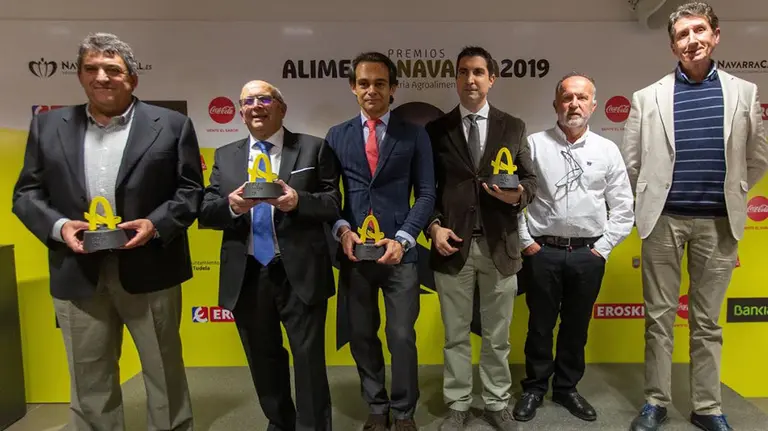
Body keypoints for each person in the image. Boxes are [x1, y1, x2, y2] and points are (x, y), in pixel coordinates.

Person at [11, 32, 202, 431]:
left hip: (151, 269)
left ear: (132, 78)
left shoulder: (172, 125)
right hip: (77, 271)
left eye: (112, 69)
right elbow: (26, 194)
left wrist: (155, 224)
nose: (102, 77)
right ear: (80, 76)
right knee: (89, 380)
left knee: (164, 372)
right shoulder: (47, 126)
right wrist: (60, 227)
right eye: (91, 69)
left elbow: (190, 191)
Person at [621, 3, 768, 431]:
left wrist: (733, 190)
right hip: (662, 222)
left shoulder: (745, 92)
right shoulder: (647, 97)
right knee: (659, 318)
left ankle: (707, 407)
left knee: (707, 322)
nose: (692, 40)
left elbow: (756, 158)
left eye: (699, 30)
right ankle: (655, 401)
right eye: (682, 35)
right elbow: (633, 164)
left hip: (720, 223)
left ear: (715, 35)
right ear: (673, 46)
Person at [199, 80, 340, 431]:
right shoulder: (225, 155)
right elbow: (206, 211)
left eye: (264, 99)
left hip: (300, 273)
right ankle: (280, 422)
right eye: (248, 101)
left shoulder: (312, 148)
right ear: (240, 111)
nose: (256, 106)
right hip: (248, 274)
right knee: (263, 360)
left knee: (308, 361)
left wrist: (298, 202)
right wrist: (232, 206)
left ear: (281, 108)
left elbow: (333, 203)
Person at [424, 45, 537, 431]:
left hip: (500, 247)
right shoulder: (436, 130)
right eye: (462, 72)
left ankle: (496, 401)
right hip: (451, 246)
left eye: (477, 72)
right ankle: (457, 403)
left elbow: (531, 180)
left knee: (497, 336)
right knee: (455, 335)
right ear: (456, 79)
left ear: (492, 79)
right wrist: (433, 227)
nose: (470, 79)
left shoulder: (513, 126)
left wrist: (517, 195)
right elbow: (425, 189)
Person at [513, 73, 634, 424]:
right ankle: (535, 387)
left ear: (593, 106)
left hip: (588, 254)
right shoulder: (533, 145)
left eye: (582, 98)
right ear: (556, 104)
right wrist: (526, 242)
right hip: (542, 252)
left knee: (576, 326)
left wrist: (603, 248)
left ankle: (566, 388)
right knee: (539, 325)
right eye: (567, 97)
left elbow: (623, 207)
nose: (574, 104)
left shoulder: (607, 150)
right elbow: (514, 200)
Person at [325, 51, 435, 431]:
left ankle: (403, 411)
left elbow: (426, 194)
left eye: (380, 83)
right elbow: (329, 196)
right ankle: (376, 405)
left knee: (401, 335)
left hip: (399, 254)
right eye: (364, 83)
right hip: (355, 255)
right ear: (353, 88)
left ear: (393, 89)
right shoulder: (336, 136)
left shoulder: (414, 134)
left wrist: (404, 238)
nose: (371, 90)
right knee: (361, 335)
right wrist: (342, 229)